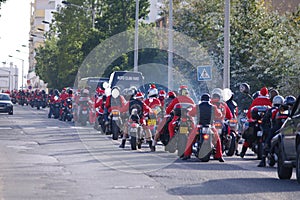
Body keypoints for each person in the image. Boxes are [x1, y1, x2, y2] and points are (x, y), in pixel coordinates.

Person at [181, 93, 225, 162]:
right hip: (210, 126)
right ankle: (219, 156)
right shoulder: (213, 107)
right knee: (217, 140)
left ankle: (187, 154)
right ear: (209, 99)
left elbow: (190, 114)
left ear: (201, 99)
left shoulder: (197, 106)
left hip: (199, 126)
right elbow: (219, 115)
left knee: (191, 139)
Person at [240, 86, 272, 158]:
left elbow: (250, 110)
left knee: (248, 137)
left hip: (256, 122)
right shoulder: (269, 100)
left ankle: (243, 152)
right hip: (264, 122)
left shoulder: (256, 100)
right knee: (249, 136)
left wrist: (249, 117)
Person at [257, 95, 284, 167]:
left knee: (267, 140)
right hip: (283, 129)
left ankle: (263, 160)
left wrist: (265, 128)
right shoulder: (284, 109)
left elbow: (265, 121)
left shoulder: (271, 110)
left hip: (274, 129)